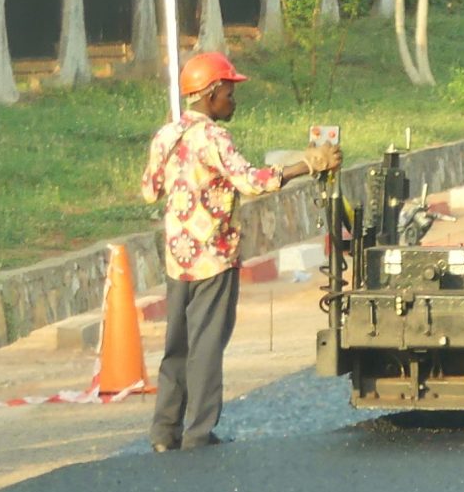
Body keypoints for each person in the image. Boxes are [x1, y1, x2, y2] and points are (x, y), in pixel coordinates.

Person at [140, 52, 342, 452]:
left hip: (177, 257)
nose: (233, 101)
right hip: (213, 257)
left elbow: (149, 191)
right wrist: (308, 164)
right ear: (211, 94)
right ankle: (198, 435)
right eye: (229, 93)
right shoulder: (215, 138)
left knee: (176, 346)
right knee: (207, 346)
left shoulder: (166, 135)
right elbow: (252, 182)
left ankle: (165, 432)